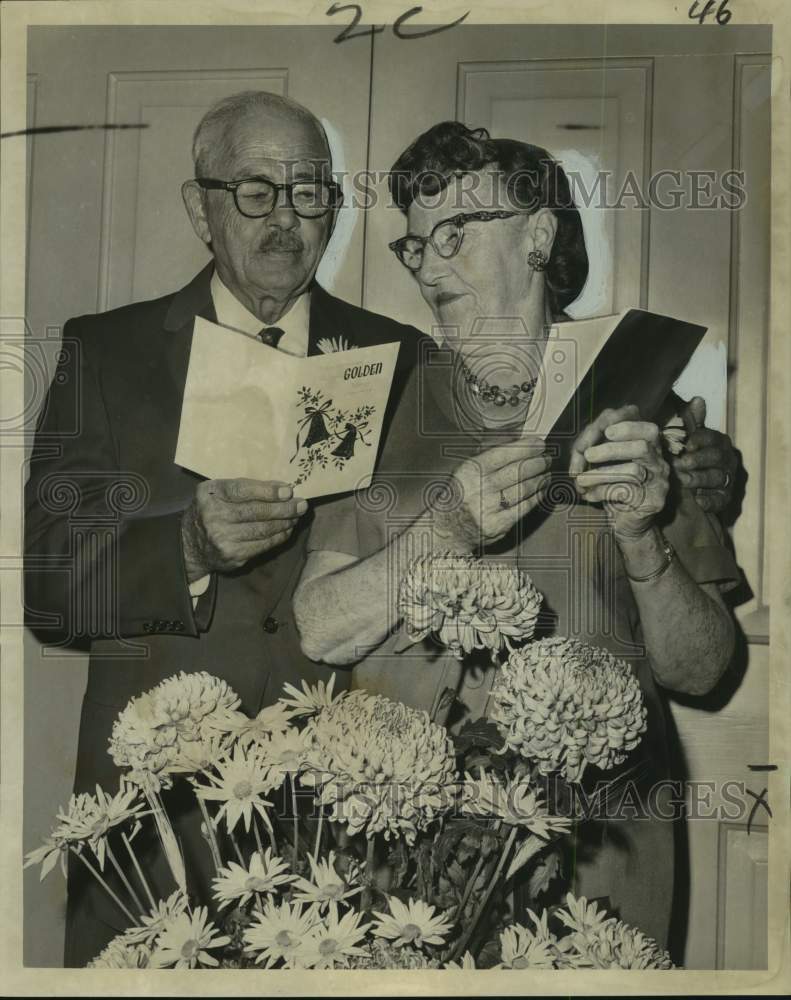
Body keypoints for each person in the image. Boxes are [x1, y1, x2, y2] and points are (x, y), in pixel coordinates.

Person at [293, 121, 741, 950]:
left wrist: (642, 538)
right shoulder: (365, 399)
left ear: (537, 235)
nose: (427, 264)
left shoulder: (642, 400)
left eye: (454, 235)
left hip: (597, 854)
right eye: (415, 245)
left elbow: (705, 671)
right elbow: (320, 628)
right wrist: (445, 530)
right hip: (400, 851)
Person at [23, 91, 423, 967]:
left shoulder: (402, 357)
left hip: (350, 819)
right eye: (252, 190)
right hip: (159, 818)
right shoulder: (106, 350)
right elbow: (49, 588)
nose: (285, 218)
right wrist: (186, 549)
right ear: (197, 207)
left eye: (309, 190)